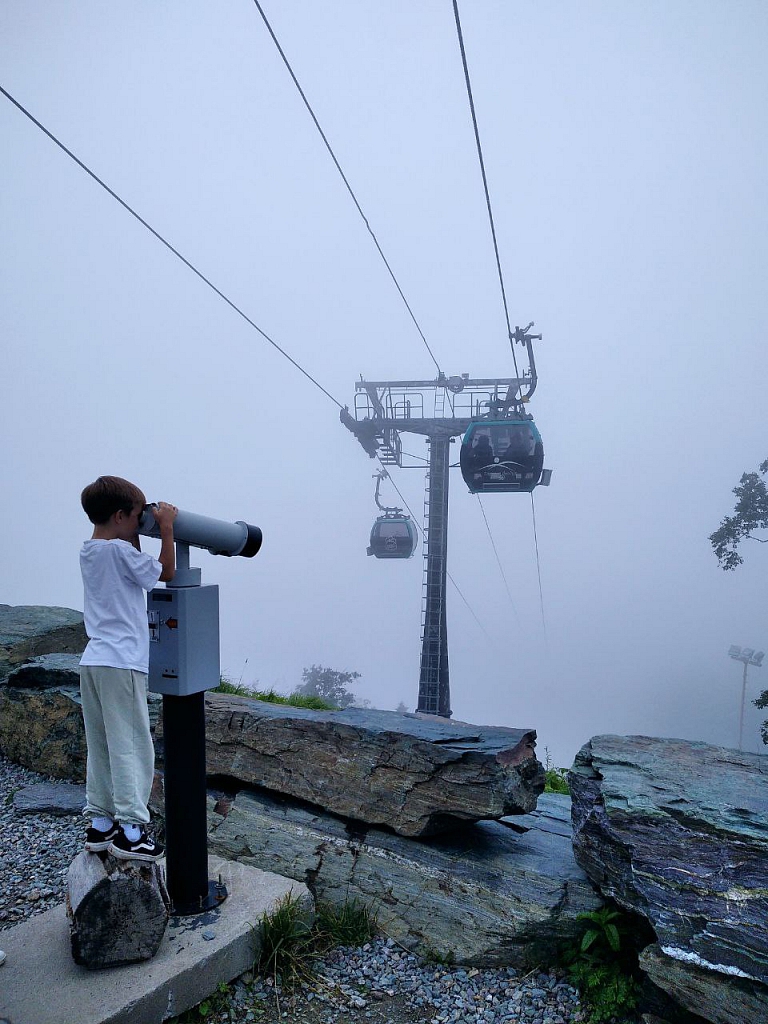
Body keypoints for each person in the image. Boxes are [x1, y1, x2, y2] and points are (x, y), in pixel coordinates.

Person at [78, 475, 177, 862]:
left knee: (100, 746)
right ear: (120, 516)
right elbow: (163, 573)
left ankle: (100, 825)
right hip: (122, 664)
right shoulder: (121, 554)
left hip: (94, 661)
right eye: (137, 517)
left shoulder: (91, 550)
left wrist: (135, 525)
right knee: (133, 746)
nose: (141, 523)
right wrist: (166, 528)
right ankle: (132, 833)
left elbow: (127, 555)